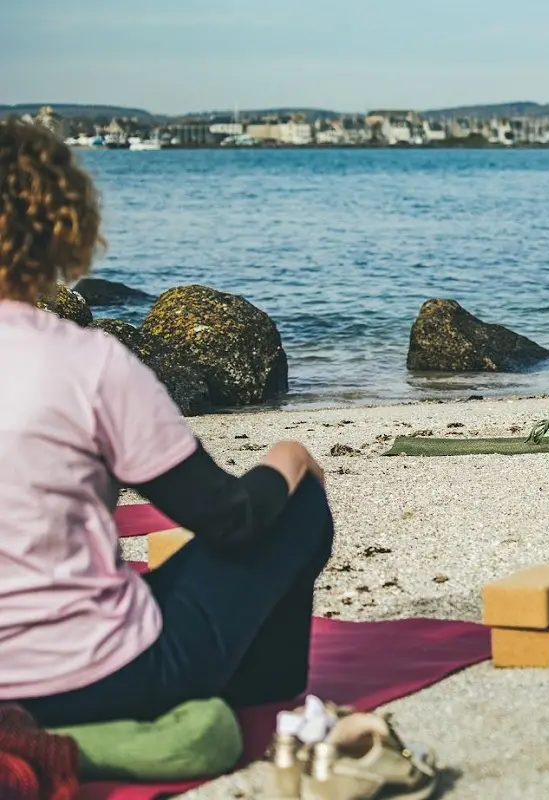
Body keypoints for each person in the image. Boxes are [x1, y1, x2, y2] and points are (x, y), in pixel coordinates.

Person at [0, 120, 333, 728]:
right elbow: (229, 519)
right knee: (298, 501)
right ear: (62, 223)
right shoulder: (86, 362)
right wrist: (285, 458)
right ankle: (261, 697)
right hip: (101, 681)